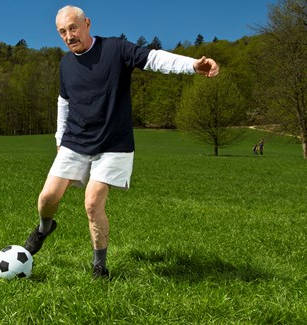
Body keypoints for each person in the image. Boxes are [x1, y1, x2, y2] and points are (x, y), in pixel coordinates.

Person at [24, 5, 219, 279]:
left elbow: (153, 58)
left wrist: (192, 65)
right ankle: (44, 228)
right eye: (62, 32)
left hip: (113, 144)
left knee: (92, 203)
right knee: (46, 199)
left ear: (87, 24)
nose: (69, 36)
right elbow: (64, 102)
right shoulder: (66, 64)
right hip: (75, 141)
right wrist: (59, 139)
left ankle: (99, 266)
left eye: (73, 28)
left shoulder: (116, 49)